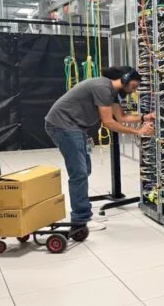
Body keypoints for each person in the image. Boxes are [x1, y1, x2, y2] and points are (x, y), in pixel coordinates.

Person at [44, 66, 155, 231]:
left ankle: (84, 211)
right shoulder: (102, 87)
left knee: (85, 170)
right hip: (63, 125)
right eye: (134, 86)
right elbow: (109, 122)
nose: (134, 90)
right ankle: (80, 219)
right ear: (125, 78)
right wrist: (138, 132)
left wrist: (145, 117)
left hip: (74, 127)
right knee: (79, 173)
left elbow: (121, 117)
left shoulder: (111, 92)